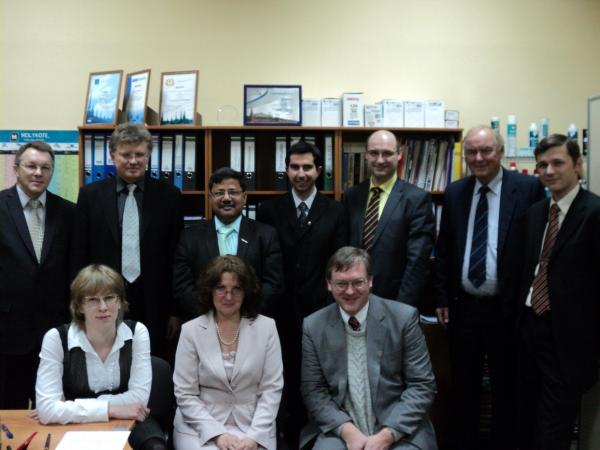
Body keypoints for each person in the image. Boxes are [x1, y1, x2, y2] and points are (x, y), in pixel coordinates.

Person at [433, 125, 545, 450]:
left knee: (506, 388)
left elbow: (537, 250)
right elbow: (444, 250)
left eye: (486, 150)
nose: (478, 158)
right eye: (471, 152)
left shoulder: (528, 189)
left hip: (507, 310)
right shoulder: (456, 192)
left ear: (501, 152)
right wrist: (442, 297)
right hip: (464, 308)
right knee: (464, 388)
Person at [256, 140, 347, 447]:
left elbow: (339, 263)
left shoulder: (336, 211)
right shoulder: (269, 210)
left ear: (319, 170)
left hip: (322, 312)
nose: (301, 173)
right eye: (294, 167)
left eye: (307, 167)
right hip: (279, 314)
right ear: (286, 170)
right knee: (283, 383)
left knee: (320, 382)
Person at [301, 246, 437, 450]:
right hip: (340, 430)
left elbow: (422, 385)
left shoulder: (403, 318)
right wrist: (348, 432)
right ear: (329, 284)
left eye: (358, 282)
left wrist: (387, 436)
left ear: (370, 281)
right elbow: (313, 391)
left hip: (399, 428)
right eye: (341, 284)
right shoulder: (313, 326)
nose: (350, 291)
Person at [70, 123, 183, 360]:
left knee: (152, 364)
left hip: (155, 303)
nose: (133, 161)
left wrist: (176, 310)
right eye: (126, 155)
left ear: (148, 156)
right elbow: (79, 254)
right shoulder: (90, 196)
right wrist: (79, 306)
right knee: (107, 362)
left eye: (139, 154)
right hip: (103, 300)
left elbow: (176, 257)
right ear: (112, 156)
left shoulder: (169, 196)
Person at [516, 134, 600, 450]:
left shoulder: (594, 212)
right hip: (529, 327)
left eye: (557, 163)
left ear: (577, 165)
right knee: (525, 417)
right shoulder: (536, 213)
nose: (549, 171)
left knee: (553, 431)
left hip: (568, 339)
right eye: (542, 165)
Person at [33, 264, 166, 450]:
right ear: (79, 306)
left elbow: (139, 399)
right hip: (75, 424)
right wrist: (110, 409)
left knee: (155, 446)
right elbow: (47, 410)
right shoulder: (56, 338)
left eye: (110, 298)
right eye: (93, 300)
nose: (103, 307)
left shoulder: (137, 333)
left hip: (130, 418)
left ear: (120, 302)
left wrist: (66, 407)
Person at [173, 255, 283, 450]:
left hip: (254, 426)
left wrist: (254, 437)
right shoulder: (191, 331)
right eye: (221, 288)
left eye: (236, 289)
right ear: (210, 290)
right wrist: (217, 434)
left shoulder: (267, 327)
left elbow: (271, 389)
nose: (229, 296)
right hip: (199, 426)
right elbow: (185, 393)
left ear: (246, 292)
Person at [0, 141, 74, 408]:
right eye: (31, 166)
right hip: (7, 332)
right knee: (10, 412)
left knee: (53, 409)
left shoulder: (68, 212)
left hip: (55, 329)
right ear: (16, 168)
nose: (38, 173)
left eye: (45, 167)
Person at [174, 167, 282, 321]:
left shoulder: (266, 235)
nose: (226, 198)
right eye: (219, 193)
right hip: (204, 323)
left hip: (252, 321)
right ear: (210, 198)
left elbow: (273, 285)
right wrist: (212, 316)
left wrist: (244, 315)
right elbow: (183, 287)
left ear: (244, 197)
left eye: (233, 192)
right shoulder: (189, 237)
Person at [343, 130, 434, 306]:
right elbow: (345, 249)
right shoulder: (352, 195)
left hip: (395, 299)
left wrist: (401, 307)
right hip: (353, 296)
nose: (380, 160)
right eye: (374, 153)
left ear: (399, 154)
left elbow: (418, 261)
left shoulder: (417, 199)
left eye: (387, 153)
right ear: (366, 155)